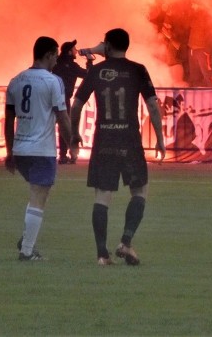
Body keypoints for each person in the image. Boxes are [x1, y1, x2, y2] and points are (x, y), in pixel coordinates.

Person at [70, 28, 167, 266]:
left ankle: (102, 255)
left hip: (104, 139)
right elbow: (153, 106)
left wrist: (74, 134)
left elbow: (76, 105)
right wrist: (160, 138)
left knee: (102, 196)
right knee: (140, 191)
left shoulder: (96, 71)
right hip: (129, 139)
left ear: (108, 46)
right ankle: (125, 242)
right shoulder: (137, 69)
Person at [5, 36, 74, 261]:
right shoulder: (53, 82)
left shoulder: (16, 80)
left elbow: (8, 120)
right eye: (55, 55)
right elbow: (62, 116)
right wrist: (71, 142)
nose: (57, 60)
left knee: (36, 195)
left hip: (20, 149)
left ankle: (27, 239)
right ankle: (26, 250)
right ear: (48, 55)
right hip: (42, 149)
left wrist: (9, 151)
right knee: (38, 198)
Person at [51, 39, 92, 163]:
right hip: (63, 99)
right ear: (69, 52)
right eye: (74, 49)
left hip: (49, 98)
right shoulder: (72, 66)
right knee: (65, 126)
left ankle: (57, 155)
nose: (76, 51)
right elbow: (88, 75)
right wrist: (89, 61)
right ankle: (69, 153)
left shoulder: (55, 63)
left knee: (49, 125)